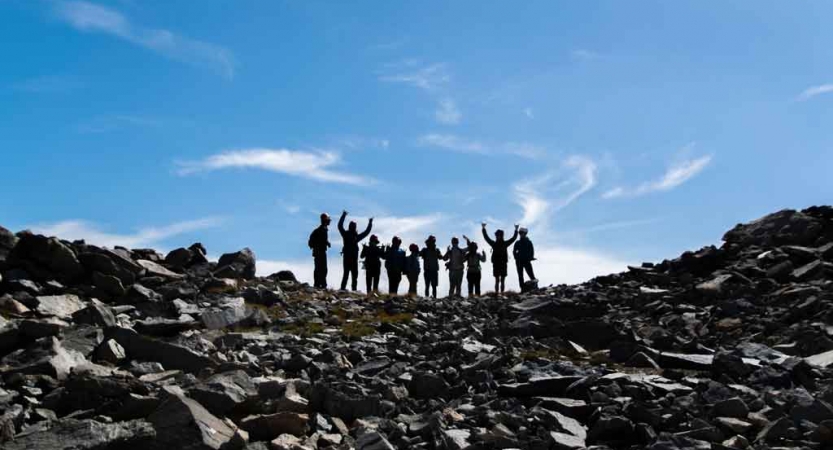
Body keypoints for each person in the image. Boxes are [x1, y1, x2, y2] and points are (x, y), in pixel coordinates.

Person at [337, 211, 373, 291]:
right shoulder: (350, 236)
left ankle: (348, 290)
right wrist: (370, 223)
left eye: (353, 226)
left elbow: (339, 226)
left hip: (351, 259)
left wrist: (343, 215)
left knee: (351, 275)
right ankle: (348, 289)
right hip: (349, 258)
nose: (353, 227)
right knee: (350, 275)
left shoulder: (352, 236)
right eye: (353, 226)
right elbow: (366, 232)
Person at [482, 223, 519, 294]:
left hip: (500, 264)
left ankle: (501, 293)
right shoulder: (503, 244)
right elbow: (486, 238)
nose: (497, 236)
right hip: (499, 264)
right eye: (497, 235)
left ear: (501, 236)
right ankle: (498, 293)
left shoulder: (496, 244)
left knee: (501, 280)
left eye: (498, 235)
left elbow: (513, 238)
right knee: (497, 280)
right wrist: (483, 229)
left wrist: (516, 230)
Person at [308, 213, 331, 289]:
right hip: (319, 252)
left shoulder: (322, 230)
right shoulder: (320, 230)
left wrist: (327, 242)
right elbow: (315, 241)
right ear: (325, 220)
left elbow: (321, 240)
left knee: (322, 268)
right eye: (328, 220)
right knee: (320, 268)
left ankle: (320, 284)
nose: (329, 221)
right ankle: (319, 285)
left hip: (320, 251)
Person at [513, 227, 536, 292]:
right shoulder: (517, 242)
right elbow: (514, 251)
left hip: (526, 261)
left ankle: (535, 287)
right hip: (519, 261)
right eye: (520, 233)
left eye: (522, 233)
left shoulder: (528, 242)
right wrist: (516, 258)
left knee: (531, 274)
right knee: (520, 276)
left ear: (525, 233)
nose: (520, 234)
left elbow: (531, 251)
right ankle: (522, 289)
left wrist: (530, 257)